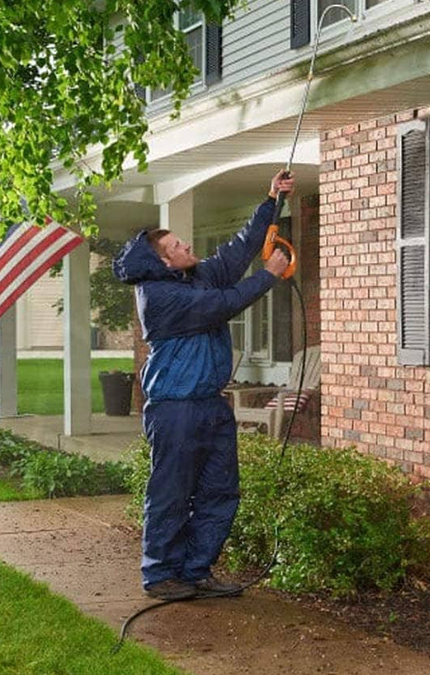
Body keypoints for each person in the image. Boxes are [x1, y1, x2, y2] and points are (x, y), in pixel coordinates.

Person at [112, 170, 294, 600]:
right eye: (177, 246)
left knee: (219, 490)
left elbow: (235, 255)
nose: (186, 246)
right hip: (175, 409)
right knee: (171, 493)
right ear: (162, 262)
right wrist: (268, 275)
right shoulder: (160, 297)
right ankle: (160, 576)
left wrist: (271, 202)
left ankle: (196, 570)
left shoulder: (191, 276)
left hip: (211, 405)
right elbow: (223, 304)